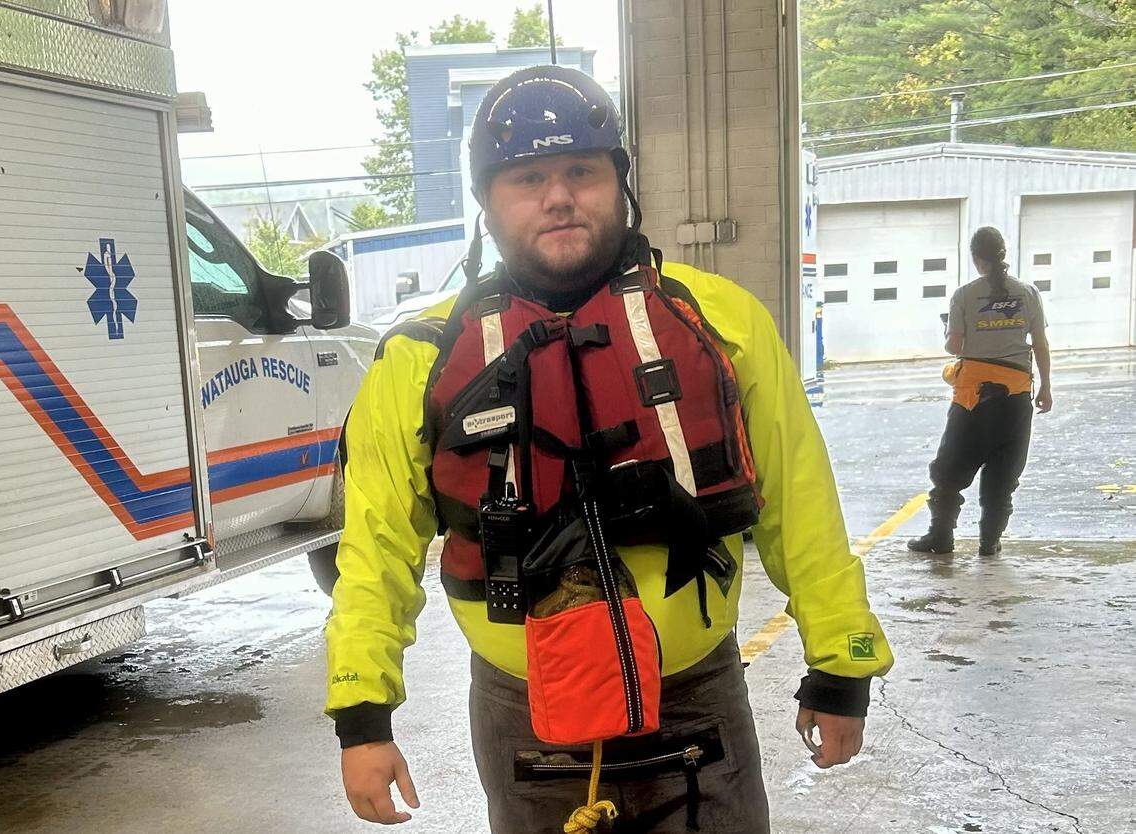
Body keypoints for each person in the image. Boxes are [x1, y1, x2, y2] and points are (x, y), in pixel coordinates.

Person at [325, 65, 892, 833]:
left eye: (581, 172)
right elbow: (375, 549)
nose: (558, 197)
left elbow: (801, 504)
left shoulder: (724, 322)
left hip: (695, 705)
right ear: (487, 202)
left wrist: (841, 663)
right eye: (528, 179)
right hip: (525, 718)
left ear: (620, 182)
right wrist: (362, 715)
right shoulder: (418, 358)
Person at [909, 226, 1052, 557]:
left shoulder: (964, 295)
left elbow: (954, 346)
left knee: (950, 470)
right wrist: (1046, 385)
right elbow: (1040, 344)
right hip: (1016, 396)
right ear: (1002, 254)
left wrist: (948, 331)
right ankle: (989, 543)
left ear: (976, 258)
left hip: (972, 399)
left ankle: (941, 537)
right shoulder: (1028, 293)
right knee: (1003, 474)